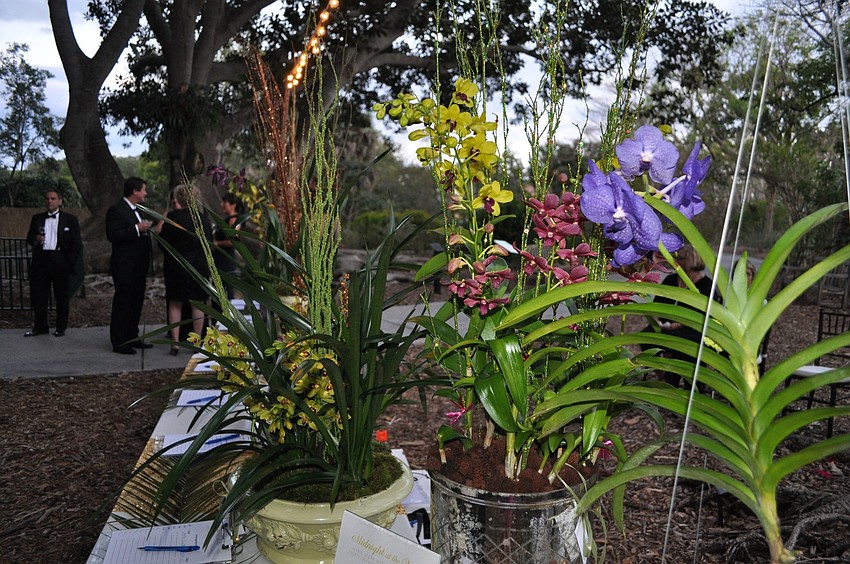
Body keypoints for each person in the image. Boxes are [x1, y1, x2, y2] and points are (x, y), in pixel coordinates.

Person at [645, 245, 716, 388]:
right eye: (675, 257)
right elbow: (657, 304)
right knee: (646, 336)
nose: (676, 261)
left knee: (681, 344)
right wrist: (657, 320)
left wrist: (678, 325)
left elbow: (704, 315)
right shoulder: (671, 280)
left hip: (692, 329)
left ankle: (681, 382)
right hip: (665, 326)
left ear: (692, 260)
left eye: (681, 258)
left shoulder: (706, 286)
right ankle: (662, 375)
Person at [159, 184, 213, 355]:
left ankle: (175, 344)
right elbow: (209, 243)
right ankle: (196, 343)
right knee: (198, 304)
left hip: (176, 265)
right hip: (198, 265)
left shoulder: (172, 217)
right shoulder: (202, 218)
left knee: (175, 303)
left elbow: (163, 242)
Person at [24, 189, 82, 337]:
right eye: (47, 198)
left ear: (60, 201)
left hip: (60, 260)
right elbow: (29, 238)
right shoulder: (37, 218)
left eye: (53, 198)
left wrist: (70, 263)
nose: (50, 201)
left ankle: (60, 327)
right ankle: (40, 327)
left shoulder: (70, 219)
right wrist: (35, 238)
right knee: (39, 296)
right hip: (41, 260)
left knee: (61, 296)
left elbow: (76, 244)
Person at [106, 176, 154, 354]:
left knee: (136, 303)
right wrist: (137, 229)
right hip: (125, 266)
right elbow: (113, 234)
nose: (145, 193)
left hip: (139, 266)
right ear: (134, 191)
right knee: (123, 303)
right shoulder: (116, 210)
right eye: (143, 190)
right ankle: (119, 341)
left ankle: (132, 336)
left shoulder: (138, 210)